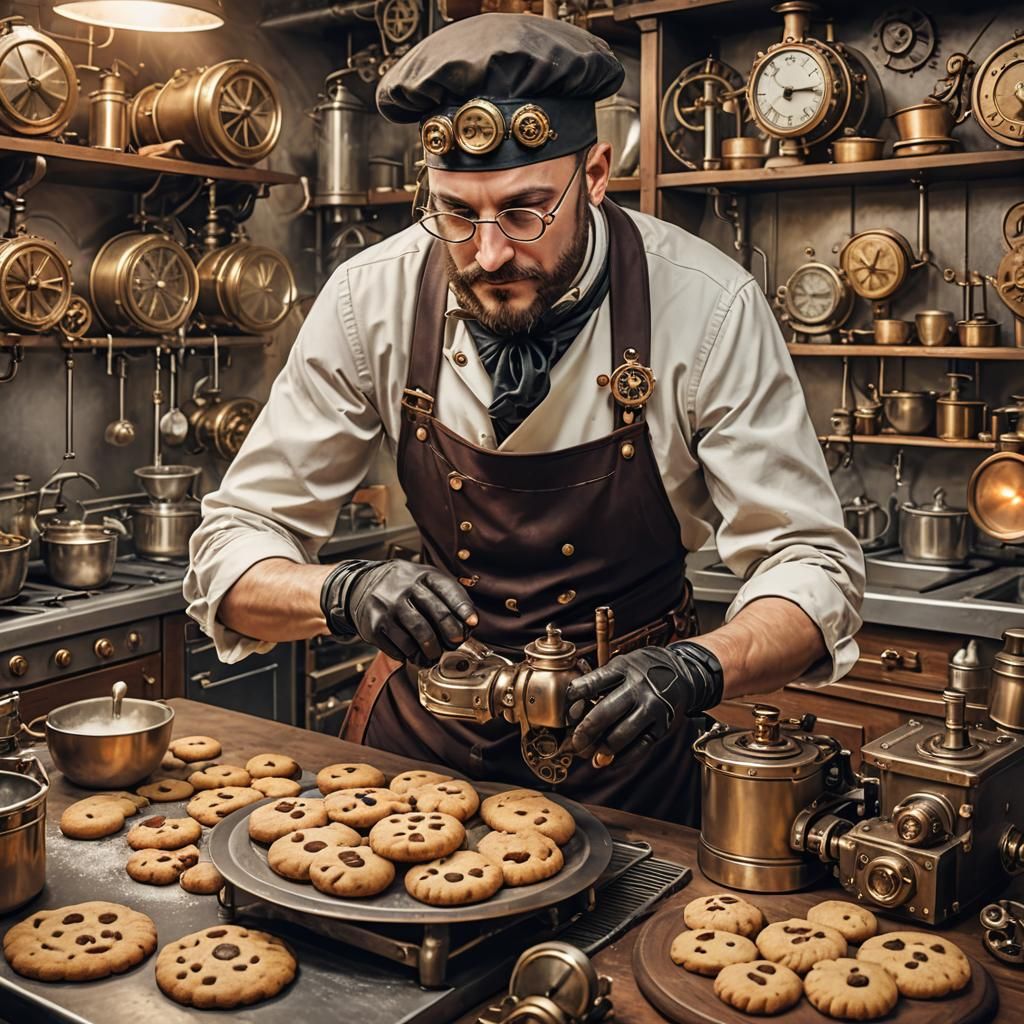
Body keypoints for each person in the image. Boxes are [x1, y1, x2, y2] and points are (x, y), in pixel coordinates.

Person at [184, 14, 864, 826]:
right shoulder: (374, 296)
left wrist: (690, 670)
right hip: (418, 754)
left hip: (627, 748)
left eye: (525, 211)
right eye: (455, 214)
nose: (489, 252)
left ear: (598, 173)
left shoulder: (708, 306)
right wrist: (342, 590)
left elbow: (813, 566)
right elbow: (230, 552)